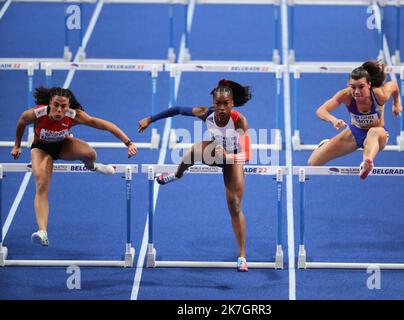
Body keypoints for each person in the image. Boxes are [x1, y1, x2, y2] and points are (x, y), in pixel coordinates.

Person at [138, 79, 252, 272]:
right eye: (218, 104)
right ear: (213, 104)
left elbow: (247, 155)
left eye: (226, 103)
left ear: (232, 103)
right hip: (215, 152)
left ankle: (242, 255)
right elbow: (177, 109)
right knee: (193, 151)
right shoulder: (206, 113)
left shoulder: (239, 120)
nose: (222, 108)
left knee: (235, 205)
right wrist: (150, 119)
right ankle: (177, 174)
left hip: (233, 159)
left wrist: (230, 156)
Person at [11, 86, 138, 246]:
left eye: (63, 106)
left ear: (68, 105)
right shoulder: (36, 113)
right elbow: (22, 122)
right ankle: (42, 231)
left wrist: (128, 143)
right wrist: (17, 145)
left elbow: (105, 125)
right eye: (56, 104)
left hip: (64, 145)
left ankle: (94, 167)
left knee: (90, 153)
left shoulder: (74, 115)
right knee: (41, 184)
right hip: (41, 149)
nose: (59, 109)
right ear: (50, 102)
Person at [307, 60, 402, 179]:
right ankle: (325, 144)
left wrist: (396, 103)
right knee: (313, 163)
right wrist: (333, 120)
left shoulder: (379, 95)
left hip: (378, 134)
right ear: (348, 84)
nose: (356, 92)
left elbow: (394, 85)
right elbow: (321, 110)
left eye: (361, 87)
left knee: (373, 132)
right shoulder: (345, 95)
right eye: (353, 87)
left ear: (369, 84)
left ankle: (367, 164)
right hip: (355, 132)